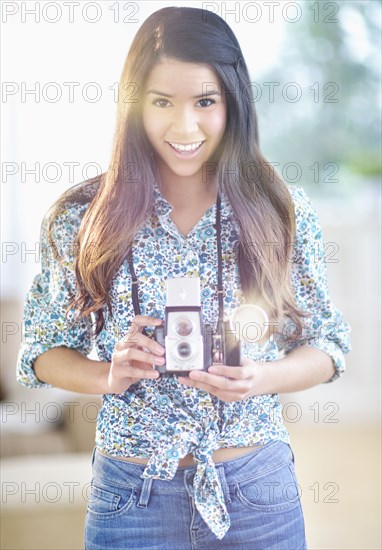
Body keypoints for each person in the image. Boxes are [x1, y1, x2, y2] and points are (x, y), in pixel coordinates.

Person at [16, 6, 351, 550]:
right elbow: (40, 351)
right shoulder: (81, 217)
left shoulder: (280, 208)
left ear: (233, 103)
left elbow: (329, 345)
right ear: (132, 105)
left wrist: (259, 379)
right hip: (131, 491)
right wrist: (108, 374)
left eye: (205, 102)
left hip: (255, 486)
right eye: (162, 102)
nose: (184, 127)